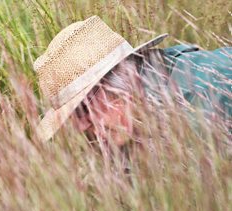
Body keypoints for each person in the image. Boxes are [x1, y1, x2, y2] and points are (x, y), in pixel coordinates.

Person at [33, 16, 231, 145]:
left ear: (119, 84)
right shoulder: (134, 111)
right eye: (73, 119)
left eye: (82, 110)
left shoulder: (202, 102)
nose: (81, 127)